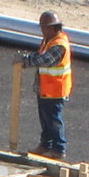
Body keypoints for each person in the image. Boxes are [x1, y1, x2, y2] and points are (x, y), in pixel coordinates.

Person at [20, 10, 73, 158]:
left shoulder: (59, 45)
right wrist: (27, 59)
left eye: (43, 27)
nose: (41, 30)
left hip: (55, 90)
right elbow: (39, 55)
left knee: (54, 120)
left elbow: (44, 60)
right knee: (45, 119)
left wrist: (25, 61)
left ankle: (58, 149)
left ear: (51, 28)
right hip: (45, 89)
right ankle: (45, 145)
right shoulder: (49, 40)